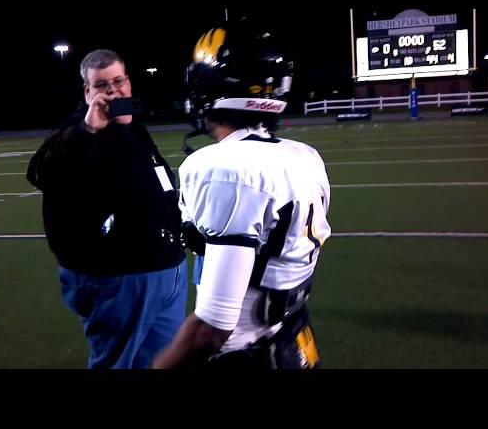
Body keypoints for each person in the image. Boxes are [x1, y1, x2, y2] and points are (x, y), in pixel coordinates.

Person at [153, 22, 331, 369]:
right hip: (292, 334)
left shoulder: (225, 167)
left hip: (247, 352)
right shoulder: (304, 155)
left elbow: (212, 328)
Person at [26, 49, 187, 369]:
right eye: (101, 85)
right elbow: (41, 172)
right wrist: (89, 129)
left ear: (129, 83)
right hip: (120, 278)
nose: (113, 90)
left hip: (166, 269)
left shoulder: (133, 128)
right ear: (88, 93)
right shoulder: (77, 132)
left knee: (161, 363)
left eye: (118, 81)